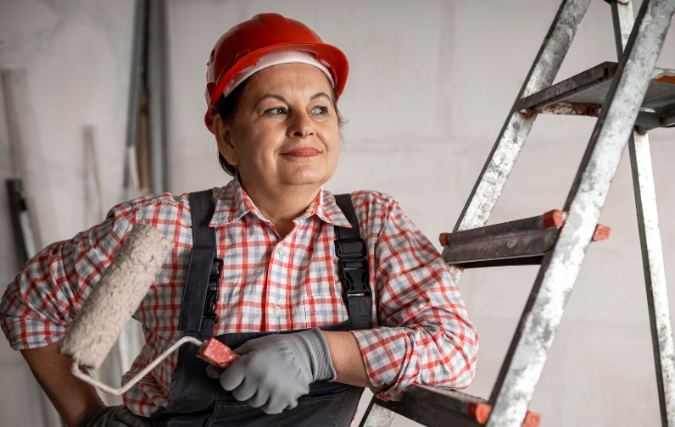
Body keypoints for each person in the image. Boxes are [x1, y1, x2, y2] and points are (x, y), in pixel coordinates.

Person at [0, 13, 478, 427]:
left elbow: (454, 354)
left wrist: (318, 354)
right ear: (227, 137)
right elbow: (28, 305)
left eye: (319, 108)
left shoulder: (373, 225)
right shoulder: (162, 227)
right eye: (275, 109)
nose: (304, 125)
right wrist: (88, 416)